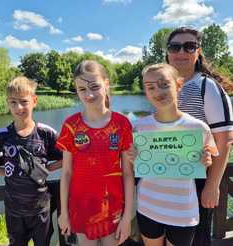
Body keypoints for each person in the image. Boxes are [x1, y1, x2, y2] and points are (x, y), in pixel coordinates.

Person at [134, 63, 218, 246]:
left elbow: (209, 158)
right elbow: (133, 163)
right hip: (147, 205)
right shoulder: (140, 127)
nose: (158, 91)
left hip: (183, 210)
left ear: (178, 85)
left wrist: (206, 160)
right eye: (150, 87)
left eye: (164, 84)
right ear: (146, 93)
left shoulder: (198, 128)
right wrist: (130, 157)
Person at [0, 76, 62, 246]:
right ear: (7, 103)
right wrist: (6, 170)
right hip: (14, 211)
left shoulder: (46, 133)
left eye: (24, 101)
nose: (18, 107)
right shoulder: (1, 136)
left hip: (41, 210)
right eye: (13, 102)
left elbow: (68, 157)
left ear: (34, 101)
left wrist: (47, 169)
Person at [166, 27, 233, 246]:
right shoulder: (163, 88)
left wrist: (212, 186)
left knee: (196, 239)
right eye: (175, 47)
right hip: (165, 178)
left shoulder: (208, 87)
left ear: (198, 51)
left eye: (189, 46)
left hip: (197, 180)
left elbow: (225, 140)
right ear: (167, 53)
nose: (181, 52)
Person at [57, 60, 134, 246]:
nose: (89, 94)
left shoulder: (121, 124)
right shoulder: (71, 125)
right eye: (82, 89)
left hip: (114, 208)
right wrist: (64, 214)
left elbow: (128, 173)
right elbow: (66, 173)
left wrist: (127, 217)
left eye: (94, 86)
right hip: (81, 208)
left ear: (106, 84)